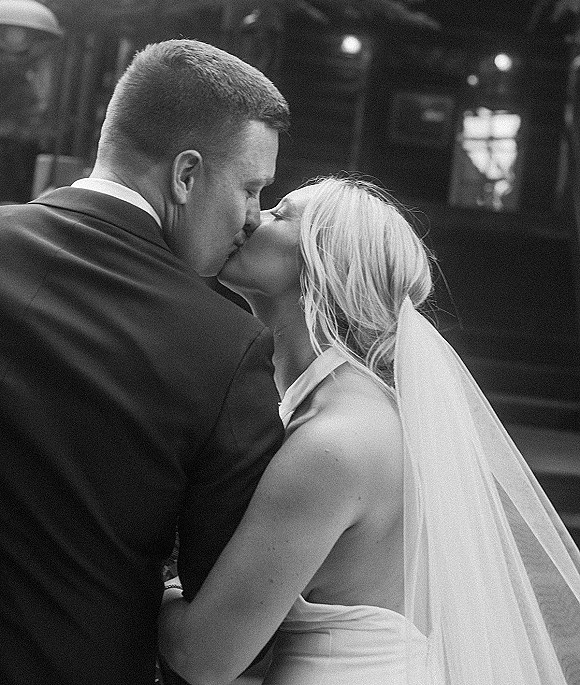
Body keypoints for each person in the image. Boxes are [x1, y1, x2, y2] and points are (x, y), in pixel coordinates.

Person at [159, 175, 580, 685]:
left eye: (281, 213)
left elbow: (204, 658)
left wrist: (129, 574)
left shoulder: (335, 443)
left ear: (326, 260)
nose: (254, 217)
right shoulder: (354, 413)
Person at [0, 39, 290, 685]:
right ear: (186, 174)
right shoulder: (225, 345)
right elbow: (224, 606)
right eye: (250, 188)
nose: (252, 217)